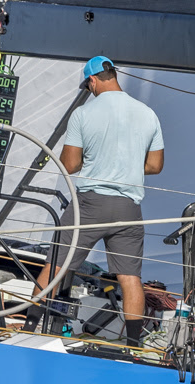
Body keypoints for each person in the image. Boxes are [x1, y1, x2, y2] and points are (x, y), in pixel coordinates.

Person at [29, 56, 165, 345]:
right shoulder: (147, 113)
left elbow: (70, 164)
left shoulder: (83, 114)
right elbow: (155, 166)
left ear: (92, 80)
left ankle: (28, 328)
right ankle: (133, 345)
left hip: (90, 204)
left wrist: (100, 160)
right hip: (129, 208)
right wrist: (125, 164)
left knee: (56, 265)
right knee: (130, 278)